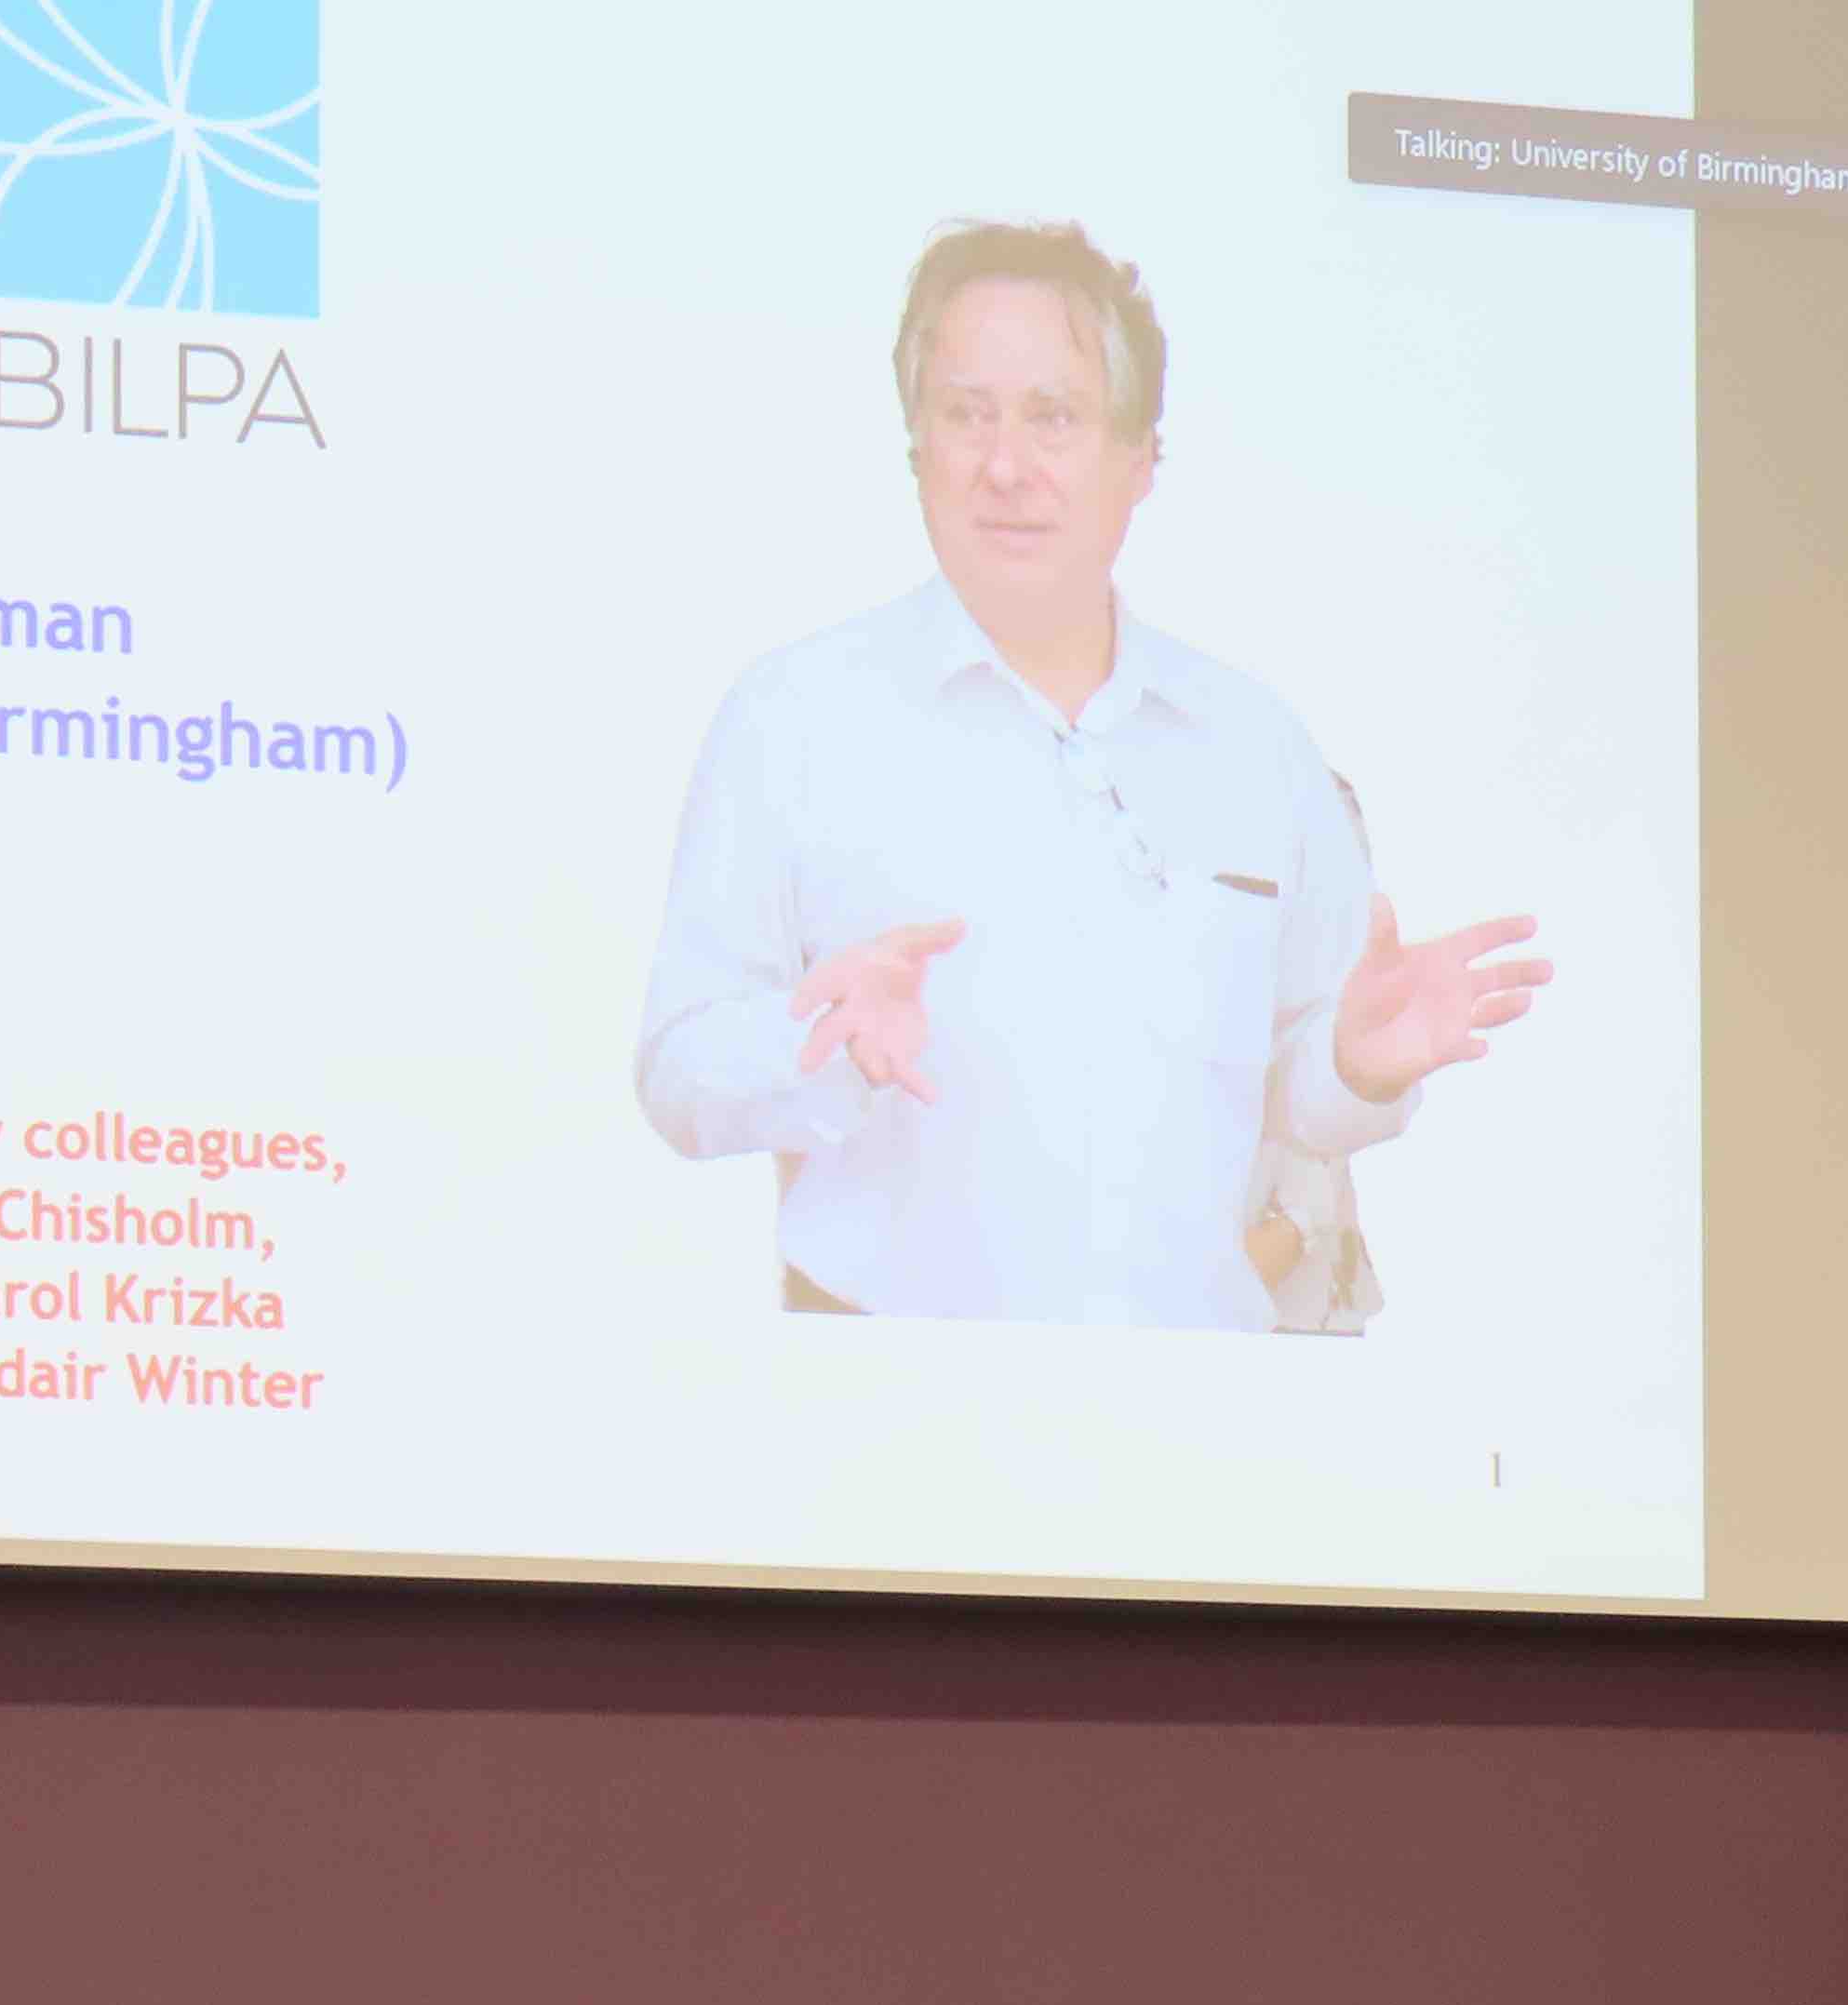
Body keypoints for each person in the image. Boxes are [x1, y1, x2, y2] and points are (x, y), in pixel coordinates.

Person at [634, 219, 1554, 1330]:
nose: (1005, 466)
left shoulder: (1254, 745)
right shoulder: (794, 715)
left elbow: (1301, 1099)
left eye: (1053, 418)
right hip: (885, 1395)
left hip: (1191, 1396)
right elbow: (678, 1072)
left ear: (1139, 461)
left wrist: (1359, 1066)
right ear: (917, 446)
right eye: (965, 414)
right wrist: (819, 1045)